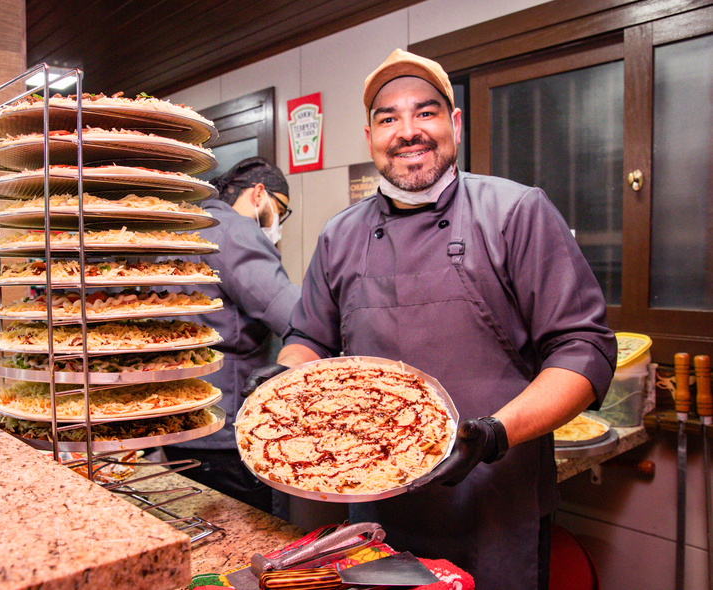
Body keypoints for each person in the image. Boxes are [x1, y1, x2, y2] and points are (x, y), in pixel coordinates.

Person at [243, 49, 617, 589]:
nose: (407, 130)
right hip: (373, 512)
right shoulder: (340, 235)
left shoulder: (515, 212)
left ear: (454, 124)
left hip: (495, 502)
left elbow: (584, 350)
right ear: (370, 135)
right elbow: (309, 338)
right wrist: (285, 378)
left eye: (426, 112)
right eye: (388, 118)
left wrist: (492, 435)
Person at [163, 157, 301, 514]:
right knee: (247, 538)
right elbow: (293, 315)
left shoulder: (181, 225)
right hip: (226, 429)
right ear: (259, 194)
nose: (278, 224)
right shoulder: (235, 231)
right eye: (279, 211)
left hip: (176, 418)